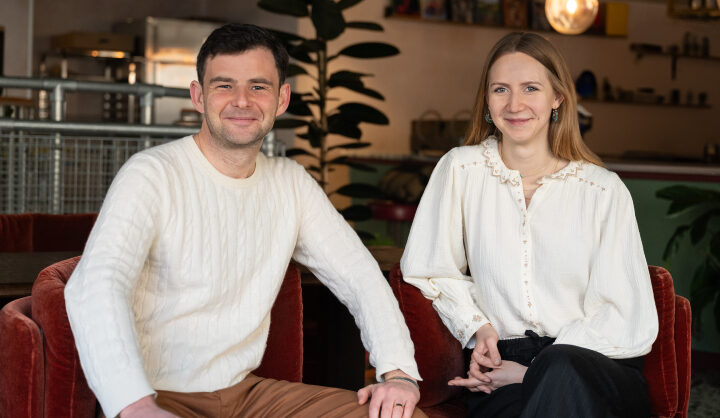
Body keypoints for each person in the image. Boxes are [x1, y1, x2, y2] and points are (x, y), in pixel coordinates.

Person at [65, 23, 426, 418]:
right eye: (224, 86)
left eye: (258, 86)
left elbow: (358, 274)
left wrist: (398, 372)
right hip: (156, 395)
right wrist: (134, 405)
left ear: (282, 98)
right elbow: (98, 283)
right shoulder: (151, 174)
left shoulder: (290, 183)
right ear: (198, 96)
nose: (242, 101)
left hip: (248, 396)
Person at [400, 32, 658, 418]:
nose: (515, 104)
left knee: (560, 369)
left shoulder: (602, 190)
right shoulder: (461, 170)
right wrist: (477, 327)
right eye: (500, 89)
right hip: (502, 365)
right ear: (487, 101)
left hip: (595, 362)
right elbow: (428, 267)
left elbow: (622, 311)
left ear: (558, 98)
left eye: (531, 88)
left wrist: (533, 371)